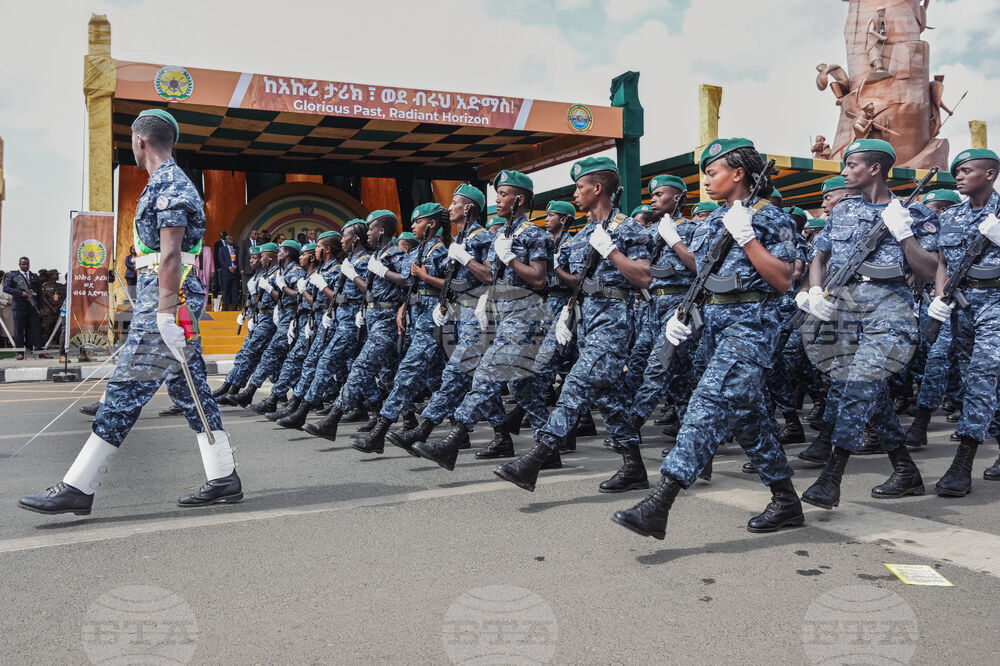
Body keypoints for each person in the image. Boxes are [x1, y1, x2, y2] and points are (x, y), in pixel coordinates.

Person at [18, 108, 241, 516]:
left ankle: (78, 486)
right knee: (187, 389)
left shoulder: (170, 184)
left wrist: (164, 314)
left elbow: (172, 254)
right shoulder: (164, 182)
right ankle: (223, 475)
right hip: (168, 297)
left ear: (141, 141)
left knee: (125, 388)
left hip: (166, 301)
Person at [612, 138, 803, 539]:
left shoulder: (769, 218)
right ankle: (786, 501)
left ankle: (659, 503)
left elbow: (783, 280)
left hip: (752, 328)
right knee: (750, 420)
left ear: (738, 173)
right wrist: (682, 318)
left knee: (707, 403)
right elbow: (702, 273)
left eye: (713, 172)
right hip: (714, 326)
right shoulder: (712, 221)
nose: (707, 181)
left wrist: (748, 237)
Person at [491, 156, 652, 493]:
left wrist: (612, 253)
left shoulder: (627, 228)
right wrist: (568, 309)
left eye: (580, 187)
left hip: (615, 322)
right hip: (586, 319)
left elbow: (643, 276)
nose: (575, 193)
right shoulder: (585, 233)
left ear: (598, 188)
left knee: (575, 386)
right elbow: (575, 281)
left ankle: (536, 457)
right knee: (611, 399)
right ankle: (634, 466)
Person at [798, 139, 939, 510]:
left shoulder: (916, 213)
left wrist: (904, 232)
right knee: (872, 397)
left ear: (874, 168)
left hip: (890, 315)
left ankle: (832, 477)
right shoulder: (842, 211)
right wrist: (816, 291)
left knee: (859, 386)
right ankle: (906, 471)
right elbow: (820, 256)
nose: (844, 172)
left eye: (852, 164)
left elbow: (927, 270)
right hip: (846, 314)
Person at [414, 171, 550, 470]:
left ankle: (451, 442)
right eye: (497, 194)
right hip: (501, 315)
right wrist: (487, 301)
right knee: (521, 388)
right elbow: (492, 279)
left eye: (502, 195)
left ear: (519, 199)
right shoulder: (503, 235)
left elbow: (539, 280)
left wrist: (510, 259)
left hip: (524, 315)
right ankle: (547, 446)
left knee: (486, 375)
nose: (497, 200)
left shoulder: (533, 234)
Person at [920, 149, 1000, 491]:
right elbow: (943, 263)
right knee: (975, 382)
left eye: (967, 170)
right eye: (958, 171)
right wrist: (940, 298)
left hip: (996, 303)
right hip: (962, 307)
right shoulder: (951, 216)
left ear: (990, 174)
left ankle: (961, 464)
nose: (960, 176)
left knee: (982, 376)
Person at [353, 203, 451, 453]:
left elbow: (452, 285)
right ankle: (481, 431)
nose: (413, 227)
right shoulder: (422, 250)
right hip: (416, 318)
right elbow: (409, 283)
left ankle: (380, 433)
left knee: (406, 374)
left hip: (432, 320)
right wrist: (403, 307)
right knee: (439, 378)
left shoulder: (440, 252)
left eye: (418, 222)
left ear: (430, 224)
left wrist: (424, 278)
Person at [302, 211, 406, 439]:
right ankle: (407, 420)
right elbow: (370, 294)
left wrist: (367, 275)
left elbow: (408, 283)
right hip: (372, 318)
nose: (368, 233)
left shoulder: (393, 254)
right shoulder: (376, 255)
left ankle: (331, 420)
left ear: (380, 231)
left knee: (360, 368)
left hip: (386, 320)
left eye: (370, 229)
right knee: (390, 375)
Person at [3, 256, 43, 360]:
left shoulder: (34, 276)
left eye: (27, 264)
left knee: (36, 329)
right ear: (19, 265)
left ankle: (39, 350)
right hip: (19, 307)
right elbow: (6, 288)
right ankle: (20, 352)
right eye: (23, 264)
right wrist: (21, 293)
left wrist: (41, 307)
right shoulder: (13, 275)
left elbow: (40, 293)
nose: (25, 266)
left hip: (33, 306)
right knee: (19, 330)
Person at [216, 233, 239, 310]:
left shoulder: (237, 248)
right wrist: (229, 267)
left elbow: (239, 259)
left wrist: (235, 267)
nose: (232, 240)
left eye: (233, 239)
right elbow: (221, 260)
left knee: (235, 290)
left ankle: (235, 307)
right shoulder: (222, 249)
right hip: (226, 272)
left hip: (235, 272)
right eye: (230, 239)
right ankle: (225, 307)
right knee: (226, 290)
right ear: (226, 240)